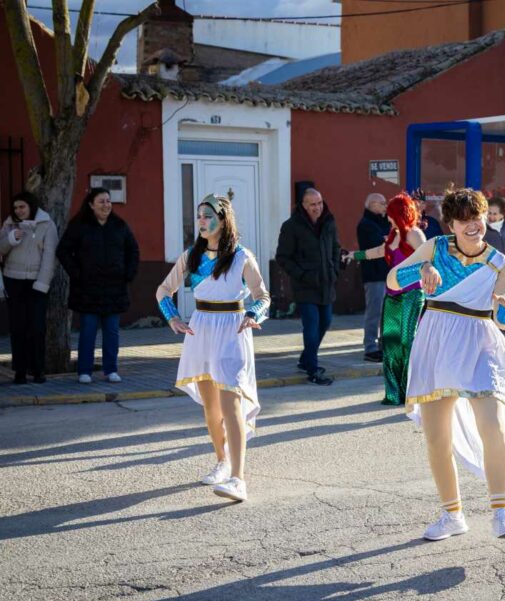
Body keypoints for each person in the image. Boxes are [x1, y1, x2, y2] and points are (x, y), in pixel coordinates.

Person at [387, 187, 505, 540]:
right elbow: (393, 280)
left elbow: (502, 321)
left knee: (493, 424)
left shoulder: (499, 263)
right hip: (437, 341)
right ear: (452, 224)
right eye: (465, 221)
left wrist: (504, 304)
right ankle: (452, 515)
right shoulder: (436, 248)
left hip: (478, 342)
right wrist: (422, 269)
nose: (474, 226)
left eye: (479, 218)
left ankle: (502, 512)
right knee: (436, 436)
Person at [155, 194, 269, 502]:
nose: (202, 221)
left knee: (231, 404)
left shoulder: (242, 256)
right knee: (210, 408)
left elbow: (262, 296)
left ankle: (238, 478)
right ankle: (222, 461)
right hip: (200, 329)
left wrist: (252, 315)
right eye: (199, 216)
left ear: (223, 219)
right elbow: (164, 290)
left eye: (208, 215)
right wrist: (172, 318)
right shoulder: (192, 255)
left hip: (232, 329)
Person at [57, 187, 139, 384]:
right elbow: (63, 251)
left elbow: (133, 251)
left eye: (108, 201)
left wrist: (128, 274)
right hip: (88, 290)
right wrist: (77, 274)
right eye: (101, 201)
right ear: (91, 204)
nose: (106, 205)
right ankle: (84, 371)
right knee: (88, 331)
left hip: (114, 289)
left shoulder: (120, 226)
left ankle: (110, 370)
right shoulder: (79, 226)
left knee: (112, 332)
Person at [351, 193, 427, 405]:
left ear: (400, 214)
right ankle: (394, 394)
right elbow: (378, 251)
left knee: (407, 341)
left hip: (412, 294)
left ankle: (414, 391)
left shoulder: (414, 234)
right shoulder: (393, 234)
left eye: (391, 213)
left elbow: (427, 259)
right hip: (392, 295)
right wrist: (354, 255)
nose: (387, 217)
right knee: (391, 342)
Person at [275, 188, 345, 386]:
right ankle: (313, 369)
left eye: (320, 203)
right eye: (313, 204)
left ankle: (306, 358)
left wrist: (334, 270)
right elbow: (283, 257)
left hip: (326, 283)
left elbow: (335, 248)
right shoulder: (291, 226)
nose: (317, 208)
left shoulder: (329, 222)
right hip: (305, 286)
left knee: (326, 322)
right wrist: (302, 275)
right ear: (303, 206)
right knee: (311, 327)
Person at [0, 192, 57, 384]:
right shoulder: (9, 224)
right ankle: (20, 372)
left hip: (36, 282)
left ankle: (38, 370)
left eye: (22, 207)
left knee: (37, 328)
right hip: (13, 280)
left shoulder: (47, 225)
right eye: (16, 208)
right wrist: (11, 238)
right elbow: (1, 249)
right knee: (17, 328)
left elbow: (50, 257)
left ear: (31, 206)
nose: (18, 211)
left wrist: (42, 284)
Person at [357, 193, 390, 362]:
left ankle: (384, 345)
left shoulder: (382, 222)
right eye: (382, 203)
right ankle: (370, 347)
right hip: (374, 275)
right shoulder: (366, 224)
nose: (386, 206)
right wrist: (387, 239)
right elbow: (380, 244)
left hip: (386, 273)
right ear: (372, 205)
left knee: (386, 313)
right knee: (374, 312)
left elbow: (388, 239)